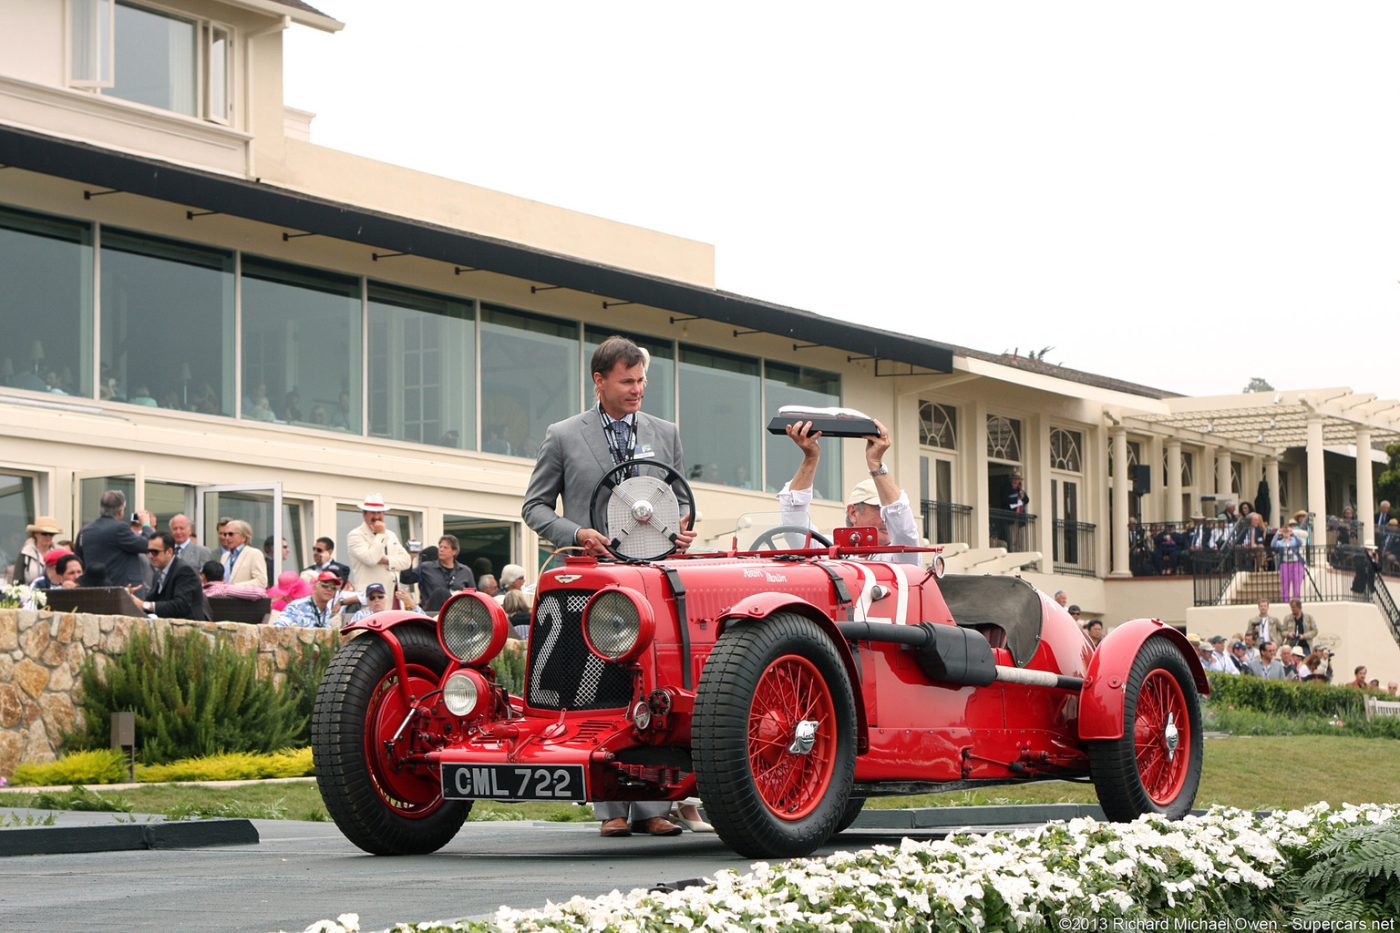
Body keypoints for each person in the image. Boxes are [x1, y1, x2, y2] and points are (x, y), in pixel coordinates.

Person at [521, 335, 691, 837]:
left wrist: (681, 528)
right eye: (627, 381)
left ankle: (656, 806)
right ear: (599, 381)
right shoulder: (563, 435)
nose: (637, 390)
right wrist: (576, 534)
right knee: (597, 687)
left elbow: (678, 496)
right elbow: (533, 508)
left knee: (654, 685)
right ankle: (611, 808)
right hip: (591, 580)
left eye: (641, 380)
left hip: (653, 577)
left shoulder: (666, 432)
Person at [777, 418, 919, 563]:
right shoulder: (828, 551)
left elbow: (904, 532)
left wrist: (876, 463)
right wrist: (811, 457)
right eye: (879, 509)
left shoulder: (896, 558)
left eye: (886, 512)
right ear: (853, 513)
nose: (886, 519)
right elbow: (793, 526)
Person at [74, 490, 155, 590]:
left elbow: (78, 559)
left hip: (93, 589)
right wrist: (146, 525)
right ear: (121, 509)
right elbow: (149, 545)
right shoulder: (119, 528)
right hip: (121, 591)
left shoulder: (85, 530)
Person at [126, 531, 209, 621]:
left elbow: (180, 605)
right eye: (148, 551)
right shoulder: (158, 574)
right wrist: (129, 598)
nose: (150, 556)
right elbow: (151, 601)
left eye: (154, 552)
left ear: (169, 552)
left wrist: (144, 605)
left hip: (189, 629)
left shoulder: (184, 571)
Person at [346, 493, 411, 595]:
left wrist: (386, 560)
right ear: (364, 514)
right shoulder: (355, 535)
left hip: (394, 596)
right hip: (371, 597)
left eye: (379, 513)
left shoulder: (391, 534)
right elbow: (371, 559)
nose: (376, 516)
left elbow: (407, 561)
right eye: (372, 513)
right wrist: (380, 534)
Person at [418, 535, 476, 612]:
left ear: (454, 551)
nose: (441, 550)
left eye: (445, 547)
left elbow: (473, 597)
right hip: (432, 614)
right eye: (440, 547)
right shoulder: (426, 567)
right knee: (440, 592)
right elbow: (406, 578)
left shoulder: (465, 571)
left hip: (456, 615)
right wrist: (411, 557)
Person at [276, 571, 345, 628]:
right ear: (315, 587)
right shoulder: (297, 606)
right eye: (324, 585)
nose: (329, 589)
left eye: (333, 588)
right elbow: (278, 628)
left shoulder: (328, 612)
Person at [12, 515, 62, 584]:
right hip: (30, 593)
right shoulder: (25, 553)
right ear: (35, 534)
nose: (48, 537)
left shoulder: (60, 553)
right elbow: (17, 581)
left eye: (51, 534)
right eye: (44, 533)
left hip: (55, 593)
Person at [221, 520, 268, 588]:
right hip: (223, 597)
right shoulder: (224, 556)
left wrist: (233, 587)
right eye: (225, 534)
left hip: (243, 598)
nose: (227, 538)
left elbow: (261, 581)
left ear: (244, 537)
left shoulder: (254, 554)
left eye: (231, 534)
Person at [993, 470, 1031, 550]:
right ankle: (1012, 555)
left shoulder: (1020, 490)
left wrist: (1022, 497)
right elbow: (1005, 501)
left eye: (1019, 479)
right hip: (1010, 519)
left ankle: (1019, 556)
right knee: (1012, 540)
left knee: (1020, 540)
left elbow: (1027, 500)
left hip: (1019, 519)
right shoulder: (1006, 489)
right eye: (1016, 479)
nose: (1017, 481)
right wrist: (1017, 499)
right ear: (1012, 479)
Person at [1273, 522, 1304, 601]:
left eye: (1287, 531)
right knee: (1285, 584)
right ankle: (1285, 601)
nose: (1286, 533)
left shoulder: (1294, 540)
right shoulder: (1280, 542)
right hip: (1284, 564)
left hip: (1296, 563)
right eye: (1284, 531)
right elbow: (1273, 545)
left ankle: (1297, 601)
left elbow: (1300, 543)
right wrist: (1277, 534)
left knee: (1296, 584)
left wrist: (1293, 533)